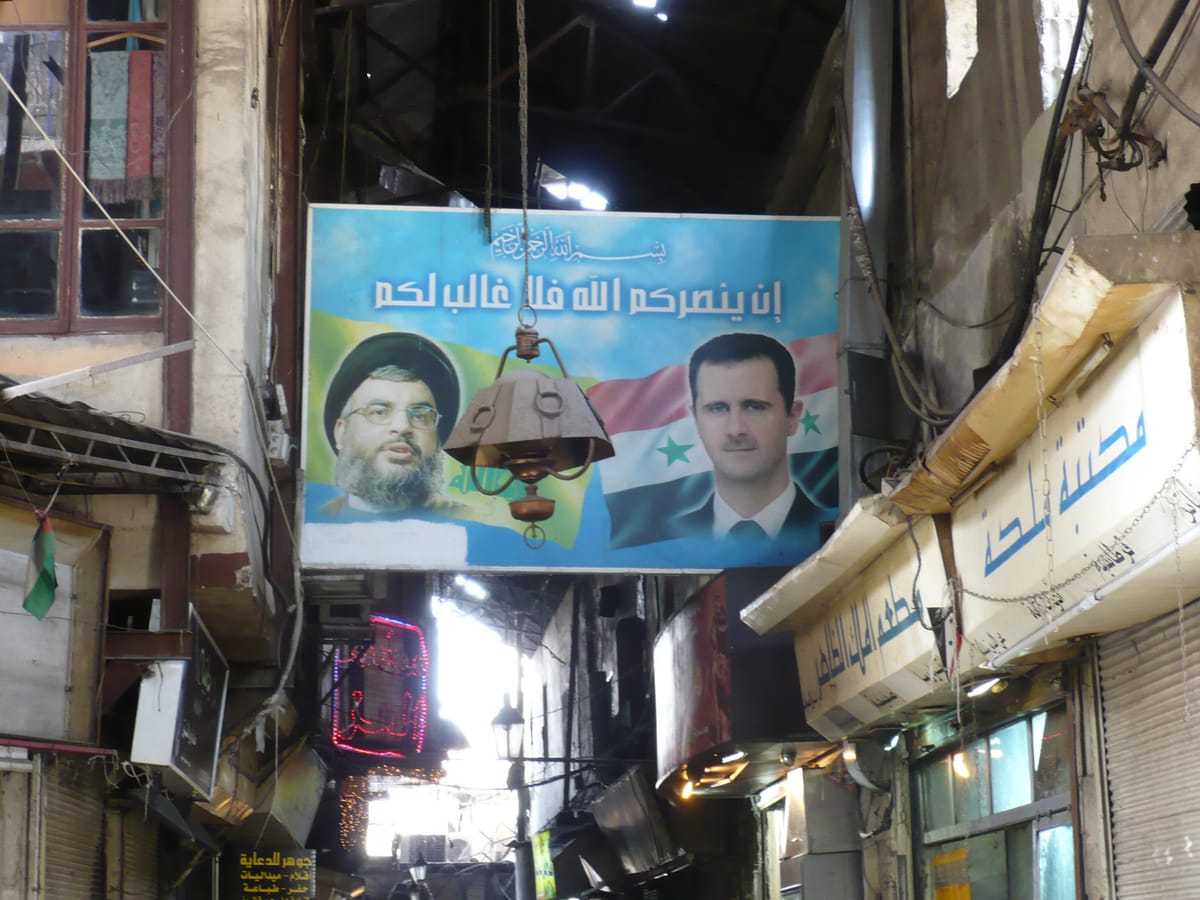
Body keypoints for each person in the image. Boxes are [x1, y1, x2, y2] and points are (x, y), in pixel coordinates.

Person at [673, 331, 819, 543]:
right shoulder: (668, 539)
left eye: (754, 407)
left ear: (793, 417)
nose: (736, 429)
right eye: (718, 408)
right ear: (696, 419)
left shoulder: (838, 533)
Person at [317, 331, 463, 519]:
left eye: (420, 415)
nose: (402, 427)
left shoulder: (468, 524)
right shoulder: (316, 521)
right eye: (379, 411)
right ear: (341, 432)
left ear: (437, 439)